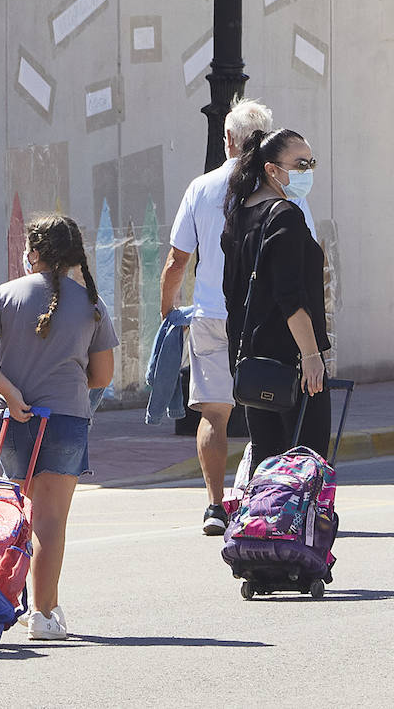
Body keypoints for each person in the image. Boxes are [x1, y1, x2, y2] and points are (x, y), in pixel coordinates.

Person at [161, 99, 318, 534]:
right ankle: (272, 505)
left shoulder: (203, 187)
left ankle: (215, 505)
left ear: (227, 139)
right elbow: (304, 267)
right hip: (269, 321)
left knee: (215, 413)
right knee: (269, 411)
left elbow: (177, 259)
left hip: (213, 313)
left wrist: (168, 307)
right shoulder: (283, 191)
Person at [0, 215, 117, 641]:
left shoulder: (7, 294)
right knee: (52, 519)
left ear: (33, 253)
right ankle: (44, 613)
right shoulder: (92, 304)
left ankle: (21, 601)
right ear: (72, 256)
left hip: (12, 417)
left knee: (27, 512)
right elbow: (103, 376)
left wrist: (10, 392)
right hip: (65, 417)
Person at [222, 129, 330, 471]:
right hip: (291, 360)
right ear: (271, 169)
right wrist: (311, 356)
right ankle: (300, 524)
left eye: (311, 163)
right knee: (306, 461)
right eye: (300, 164)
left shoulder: (240, 214)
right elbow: (291, 298)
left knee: (267, 457)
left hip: (254, 359)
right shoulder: (285, 216)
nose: (307, 170)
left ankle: (266, 523)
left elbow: (232, 292)